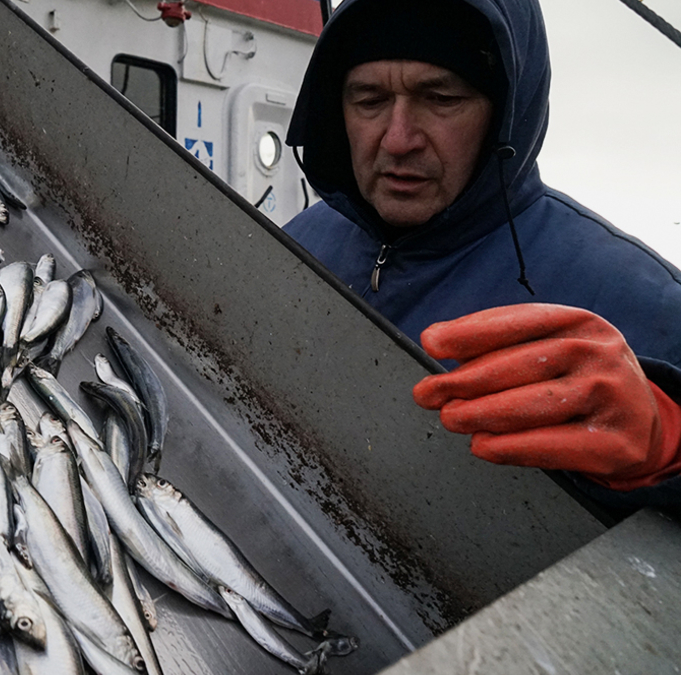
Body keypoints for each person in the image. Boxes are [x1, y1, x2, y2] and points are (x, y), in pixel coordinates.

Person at [282, 0, 681, 508]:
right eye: (369, 100)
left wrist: (668, 445)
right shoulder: (302, 238)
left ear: (504, 115)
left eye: (441, 98)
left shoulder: (639, 298)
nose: (398, 138)